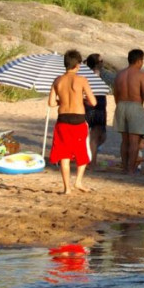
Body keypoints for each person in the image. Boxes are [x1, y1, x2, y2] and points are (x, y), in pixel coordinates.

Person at [48, 49, 97, 194]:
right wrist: (81, 99)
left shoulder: (57, 80)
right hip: (78, 119)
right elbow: (93, 102)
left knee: (64, 154)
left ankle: (67, 188)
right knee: (82, 151)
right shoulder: (82, 80)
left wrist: (61, 101)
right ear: (77, 64)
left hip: (63, 119)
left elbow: (51, 103)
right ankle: (78, 181)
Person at [114, 48, 144, 175]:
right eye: (142, 60)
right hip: (135, 106)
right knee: (134, 141)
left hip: (121, 105)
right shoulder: (141, 75)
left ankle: (125, 168)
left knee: (124, 140)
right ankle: (131, 169)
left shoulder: (119, 74)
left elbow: (116, 93)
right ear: (139, 61)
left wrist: (120, 106)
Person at [83, 53, 109, 163]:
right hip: (95, 107)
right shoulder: (94, 75)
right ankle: (92, 161)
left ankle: (90, 156)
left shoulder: (91, 75)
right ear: (97, 63)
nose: (103, 63)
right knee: (96, 135)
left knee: (101, 136)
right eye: (101, 61)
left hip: (99, 107)